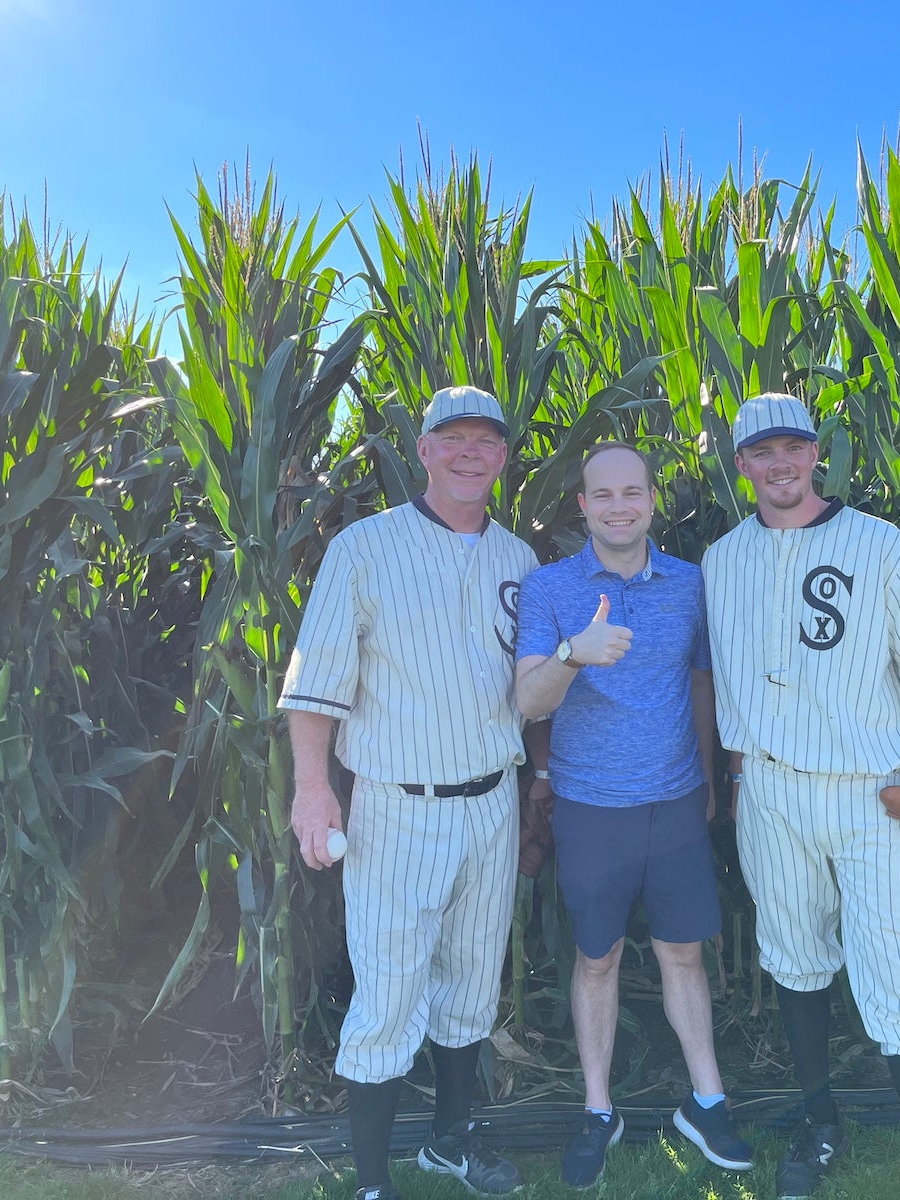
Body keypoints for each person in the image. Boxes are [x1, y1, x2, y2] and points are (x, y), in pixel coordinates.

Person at [701, 394, 900, 1200]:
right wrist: (733, 782)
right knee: (795, 961)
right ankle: (819, 1120)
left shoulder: (878, 544)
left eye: (794, 446)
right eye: (763, 452)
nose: (781, 463)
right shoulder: (723, 559)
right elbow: (728, 681)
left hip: (873, 795)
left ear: (815, 454)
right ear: (743, 466)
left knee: (896, 972)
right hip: (770, 793)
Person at [281, 386, 537, 1200]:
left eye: (486, 440)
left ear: (503, 455)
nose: (470, 452)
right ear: (422, 449)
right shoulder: (364, 547)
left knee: (470, 984)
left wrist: (542, 797)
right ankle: (369, 1183)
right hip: (396, 805)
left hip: (493, 800)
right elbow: (316, 686)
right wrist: (313, 792)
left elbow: (535, 688)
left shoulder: (519, 560)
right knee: (389, 995)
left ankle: (449, 1145)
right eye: (451, 438)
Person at [513, 442, 755, 1188]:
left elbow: (702, 686)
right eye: (602, 495)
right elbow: (528, 701)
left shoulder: (690, 585)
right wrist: (575, 652)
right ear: (581, 506)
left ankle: (706, 1101)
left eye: (633, 493)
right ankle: (598, 1110)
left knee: (685, 953)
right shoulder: (549, 588)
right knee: (599, 959)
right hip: (591, 809)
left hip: (677, 800)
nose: (619, 506)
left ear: (653, 500)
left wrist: (710, 780)